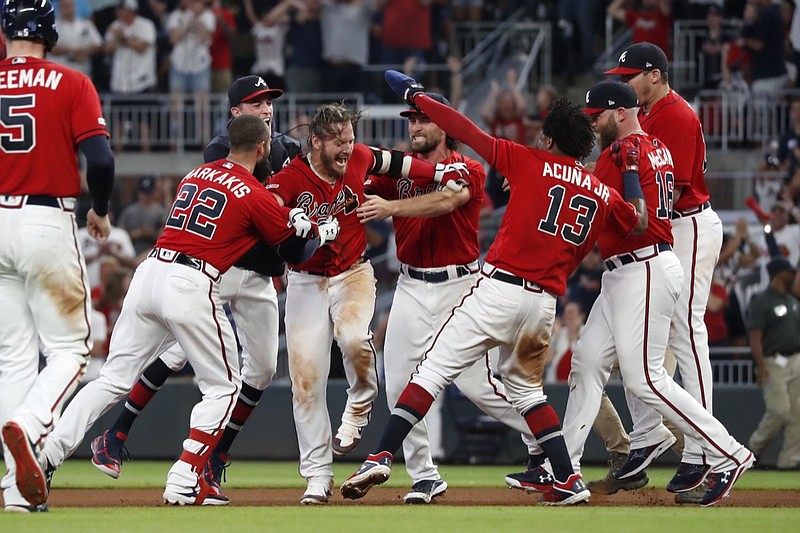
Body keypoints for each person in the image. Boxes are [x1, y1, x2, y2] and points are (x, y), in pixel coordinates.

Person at [340, 71, 646, 506]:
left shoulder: (529, 161)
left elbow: (466, 129)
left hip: (498, 288)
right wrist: (630, 173)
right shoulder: (598, 190)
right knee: (525, 391)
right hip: (543, 302)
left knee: (430, 371)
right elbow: (638, 220)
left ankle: (380, 454)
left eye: (543, 135)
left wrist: (417, 95)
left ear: (549, 140)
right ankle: (568, 478)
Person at [13, 115, 336, 508]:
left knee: (113, 379)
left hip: (149, 272)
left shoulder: (194, 175)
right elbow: (291, 251)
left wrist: (287, 219)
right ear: (262, 148)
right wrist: (319, 232)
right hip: (191, 282)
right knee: (225, 387)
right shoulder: (254, 192)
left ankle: (47, 456)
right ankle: (185, 477)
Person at [89, 75, 302, 500]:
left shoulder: (288, 150)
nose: (266, 108)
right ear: (236, 113)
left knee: (260, 369)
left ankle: (216, 457)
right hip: (217, 269)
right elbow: (270, 207)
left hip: (260, 275)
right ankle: (116, 434)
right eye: (255, 102)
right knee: (175, 350)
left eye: (269, 101)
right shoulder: (222, 149)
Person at [560, 80, 754, 508]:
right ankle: (565, 469)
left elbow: (600, 206)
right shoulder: (649, 146)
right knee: (588, 360)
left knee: (648, 376)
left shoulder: (625, 152)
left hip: (645, 265)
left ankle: (727, 453)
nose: (593, 126)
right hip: (628, 268)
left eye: (598, 117)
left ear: (621, 112)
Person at [267, 101, 470, 504]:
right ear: (317, 141)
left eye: (351, 139)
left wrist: (440, 171)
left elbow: (398, 164)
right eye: (339, 141)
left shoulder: (359, 157)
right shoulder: (290, 178)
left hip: (354, 272)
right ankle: (317, 477)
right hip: (306, 282)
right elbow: (270, 216)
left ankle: (360, 402)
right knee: (305, 382)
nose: (348, 148)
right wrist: (292, 219)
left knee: (355, 337)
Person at [358, 93, 549, 504]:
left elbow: (449, 199)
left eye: (424, 121)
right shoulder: (402, 169)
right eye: (412, 121)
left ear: (445, 125)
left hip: (459, 288)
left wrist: (391, 205)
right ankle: (425, 475)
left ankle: (548, 444)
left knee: (479, 385)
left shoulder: (468, 167)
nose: (415, 128)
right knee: (399, 383)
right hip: (409, 285)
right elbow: (358, 185)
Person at [596, 42, 726, 502]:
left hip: (687, 222)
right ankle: (652, 434)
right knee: (653, 336)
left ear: (654, 74)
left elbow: (673, 190)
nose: (625, 82)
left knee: (687, 333)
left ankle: (707, 452)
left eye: (630, 75)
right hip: (672, 226)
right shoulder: (647, 113)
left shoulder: (675, 115)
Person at [0, 0, 115, 513]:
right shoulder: (70, 82)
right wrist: (102, 209)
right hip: (44, 218)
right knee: (71, 349)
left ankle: (14, 490)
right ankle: (28, 426)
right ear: (50, 31)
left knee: (13, 356)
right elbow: (100, 158)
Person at [747, 257, 800, 470]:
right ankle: (753, 450)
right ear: (779, 274)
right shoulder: (762, 300)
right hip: (773, 361)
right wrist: (761, 365)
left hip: (796, 359)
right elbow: (755, 336)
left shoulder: (793, 301)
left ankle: (789, 460)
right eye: (789, 272)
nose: (793, 274)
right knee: (779, 410)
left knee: (798, 413)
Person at [49, 0, 103, 76]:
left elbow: (98, 45)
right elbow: (50, 47)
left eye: (70, 6)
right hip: (61, 71)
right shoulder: (53, 27)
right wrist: (72, 50)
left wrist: (85, 52)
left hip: (82, 70)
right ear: (60, 8)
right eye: (65, 6)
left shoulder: (86, 24)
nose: (68, 9)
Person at [607, 0, 672, 59]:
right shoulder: (635, 16)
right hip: (639, 59)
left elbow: (666, 6)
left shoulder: (662, 16)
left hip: (659, 59)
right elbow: (612, 10)